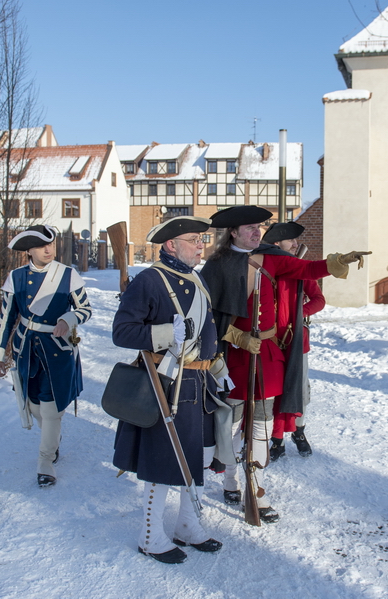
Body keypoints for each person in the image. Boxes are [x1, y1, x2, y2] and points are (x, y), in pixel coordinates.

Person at [201, 206, 369, 524]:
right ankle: (230, 480)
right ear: (233, 233)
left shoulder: (273, 258)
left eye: (259, 227)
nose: (256, 232)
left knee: (262, 427)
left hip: (268, 356)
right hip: (234, 358)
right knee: (234, 424)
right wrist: (235, 335)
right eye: (249, 228)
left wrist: (337, 262)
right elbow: (204, 315)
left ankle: (257, 488)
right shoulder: (216, 265)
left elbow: (307, 270)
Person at [111, 216, 234, 565]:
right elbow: (122, 332)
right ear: (170, 246)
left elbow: (208, 331)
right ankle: (150, 534)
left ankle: (187, 524)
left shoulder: (196, 278)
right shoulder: (150, 281)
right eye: (195, 239)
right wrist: (165, 334)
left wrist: (219, 368)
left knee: (198, 457)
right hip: (169, 383)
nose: (201, 245)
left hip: (200, 381)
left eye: (202, 239)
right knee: (165, 461)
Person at [0, 225, 92, 488]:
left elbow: (84, 309)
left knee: (50, 407)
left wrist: (68, 319)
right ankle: (51, 439)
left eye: (51, 244)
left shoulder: (67, 275)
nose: (49, 250)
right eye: (41, 246)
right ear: (29, 250)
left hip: (57, 349)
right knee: (33, 404)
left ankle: (45, 460)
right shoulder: (16, 277)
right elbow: (6, 319)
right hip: (26, 349)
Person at [258, 222, 326, 461]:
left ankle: (299, 431)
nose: (296, 244)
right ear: (277, 244)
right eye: (291, 241)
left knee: (299, 390)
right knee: (275, 391)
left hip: (296, 339)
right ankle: (276, 439)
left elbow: (318, 299)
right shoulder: (262, 266)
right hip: (269, 342)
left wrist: (299, 313)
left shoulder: (301, 268)